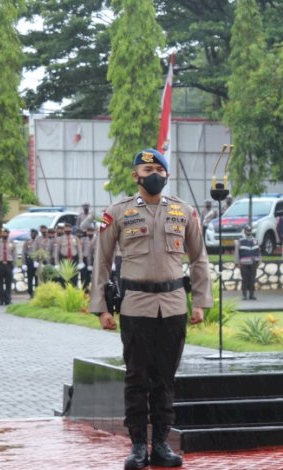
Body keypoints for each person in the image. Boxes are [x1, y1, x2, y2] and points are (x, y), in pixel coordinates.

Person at [89, 148, 212, 469]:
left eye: (159, 169)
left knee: (165, 379)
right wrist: (101, 307)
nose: (153, 174)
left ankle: (160, 444)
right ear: (135, 176)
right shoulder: (117, 213)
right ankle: (138, 447)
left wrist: (200, 301)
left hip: (173, 306)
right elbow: (101, 261)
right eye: (147, 170)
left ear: (167, 174)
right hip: (135, 306)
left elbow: (199, 258)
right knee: (137, 378)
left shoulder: (183, 211)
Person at [235, 225, 261, 300]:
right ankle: (244, 294)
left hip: (253, 262)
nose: (248, 232)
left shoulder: (255, 240)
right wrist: (237, 262)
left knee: (252, 279)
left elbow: (258, 252)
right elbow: (237, 252)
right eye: (247, 231)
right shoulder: (241, 241)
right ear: (244, 231)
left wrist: (259, 261)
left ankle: (252, 294)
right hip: (244, 263)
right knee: (245, 279)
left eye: (249, 231)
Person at [0, 228, 15, 305]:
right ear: (1, 234)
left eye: (6, 233)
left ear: (8, 234)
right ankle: (1, 299)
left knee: (8, 282)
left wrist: (15, 265)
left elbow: (14, 254)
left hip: (9, 263)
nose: (5, 235)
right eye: (3, 233)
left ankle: (8, 299)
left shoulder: (12, 243)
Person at [23, 229, 40, 297]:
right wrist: (24, 263)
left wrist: (38, 261)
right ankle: (30, 292)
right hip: (29, 261)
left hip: (37, 261)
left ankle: (37, 292)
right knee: (30, 278)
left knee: (37, 278)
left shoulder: (39, 242)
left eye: (33, 233)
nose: (32, 234)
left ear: (36, 234)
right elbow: (24, 252)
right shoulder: (27, 242)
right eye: (31, 233)